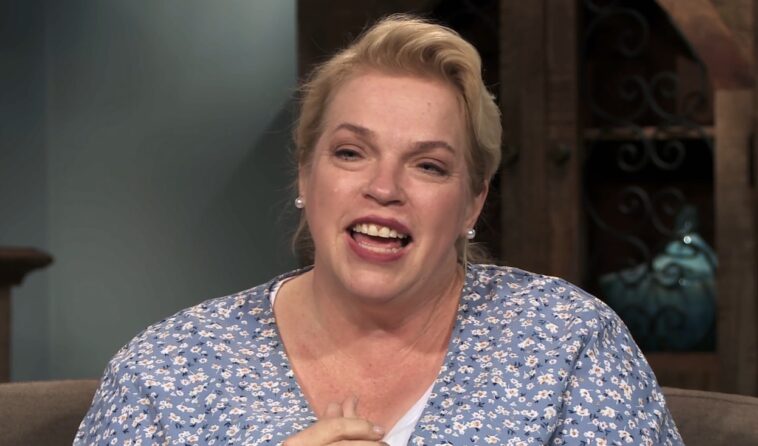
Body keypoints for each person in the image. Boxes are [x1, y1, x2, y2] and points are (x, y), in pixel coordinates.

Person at [75, 15, 683, 445]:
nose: (385, 187)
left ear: (472, 204)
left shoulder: (569, 343)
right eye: (350, 153)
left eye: (429, 165)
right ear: (306, 175)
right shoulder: (166, 372)